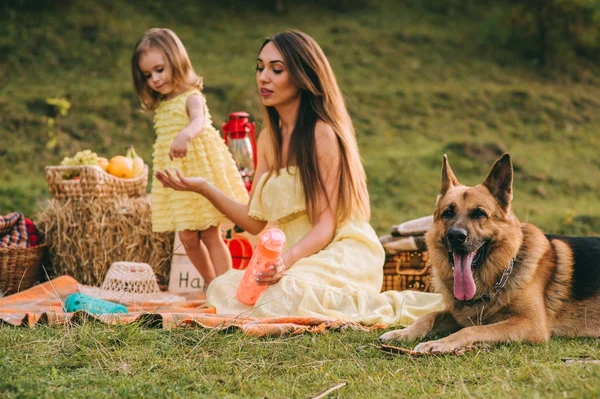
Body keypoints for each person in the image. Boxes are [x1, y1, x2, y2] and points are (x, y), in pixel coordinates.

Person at [155, 30, 442, 325]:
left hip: (338, 250)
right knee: (223, 287)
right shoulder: (268, 139)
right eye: (260, 67)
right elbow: (254, 220)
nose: (263, 78)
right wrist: (203, 188)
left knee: (285, 292)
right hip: (288, 259)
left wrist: (285, 262)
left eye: (276, 69)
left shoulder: (322, 134)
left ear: (303, 76)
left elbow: (325, 225)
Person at [132, 28, 249, 287]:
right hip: (178, 179)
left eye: (160, 70)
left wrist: (185, 135)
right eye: (148, 75)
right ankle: (210, 285)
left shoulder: (191, 97)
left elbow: (199, 121)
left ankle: (226, 286)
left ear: (177, 61)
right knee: (187, 237)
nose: (155, 79)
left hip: (198, 174)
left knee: (209, 233)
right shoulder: (162, 105)